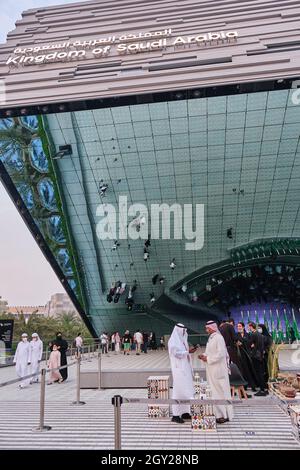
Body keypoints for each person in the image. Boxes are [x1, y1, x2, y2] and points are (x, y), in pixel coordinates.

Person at [199, 321, 234, 424]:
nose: (206, 330)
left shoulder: (218, 338)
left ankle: (225, 415)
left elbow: (221, 354)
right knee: (215, 392)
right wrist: (203, 355)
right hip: (212, 369)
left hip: (219, 370)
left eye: (207, 328)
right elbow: (209, 352)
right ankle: (218, 414)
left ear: (212, 328)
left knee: (222, 392)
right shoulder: (211, 338)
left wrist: (208, 358)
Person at [168, 323, 198, 423]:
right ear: (178, 330)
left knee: (187, 391)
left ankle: (186, 412)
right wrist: (187, 351)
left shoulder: (182, 340)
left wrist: (190, 351)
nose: (185, 332)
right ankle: (175, 415)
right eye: (183, 331)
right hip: (178, 370)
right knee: (179, 391)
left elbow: (185, 352)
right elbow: (176, 353)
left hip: (185, 369)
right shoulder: (173, 341)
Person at [236, 322, 258, 391]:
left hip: (247, 355)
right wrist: (237, 344)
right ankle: (244, 387)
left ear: (243, 327)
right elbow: (235, 342)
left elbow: (250, 343)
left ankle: (253, 386)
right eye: (237, 326)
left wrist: (243, 342)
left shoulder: (248, 334)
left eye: (240, 326)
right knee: (242, 372)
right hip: (240, 356)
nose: (238, 327)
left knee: (249, 371)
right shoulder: (236, 335)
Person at [247, 323, 267, 396]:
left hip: (256, 356)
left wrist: (251, 345)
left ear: (251, 327)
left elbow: (248, 344)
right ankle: (263, 389)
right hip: (260, 356)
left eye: (248, 327)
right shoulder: (259, 334)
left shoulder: (253, 334)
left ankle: (262, 390)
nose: (247, 328)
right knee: (261, 373)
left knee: (259, 374)